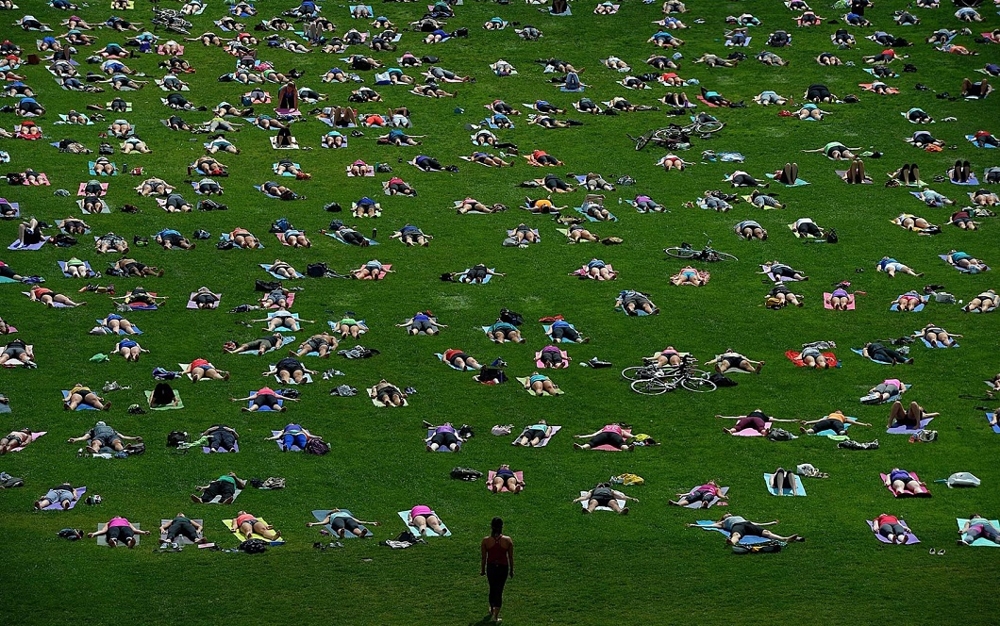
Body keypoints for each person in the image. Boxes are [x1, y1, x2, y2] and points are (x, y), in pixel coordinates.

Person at [688, 513, 804, 545]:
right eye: (726, 514)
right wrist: (695, 525)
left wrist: (771, 523)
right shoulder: (723, 523)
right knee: (737, 535)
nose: (728, 514)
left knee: (766, 533)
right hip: (737, 527)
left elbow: (756, 523)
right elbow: (712, 526)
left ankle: (785, 538)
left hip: (747, 524)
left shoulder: (740, 517)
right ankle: (732, 542)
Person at [480, 517, 514, 623]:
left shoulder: (486, 541)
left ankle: (491, 609)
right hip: (503, 568)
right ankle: (496, 616)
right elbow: (510, 557)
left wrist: (482, 570)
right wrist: (512, 570)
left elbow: (484, 558)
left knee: (492, 588)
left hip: (491, 567)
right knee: (499, 591)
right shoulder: (507, 540)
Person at [307, 509, 381, 538]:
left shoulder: (345, 513)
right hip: (337, 519)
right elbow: (324, 522)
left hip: (348, 519)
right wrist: (313, 524)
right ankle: (342, 533)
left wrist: (371, 523)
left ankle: (360, 534)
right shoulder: (330, 515)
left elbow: (358, 521)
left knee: (354, 526)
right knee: (342, 527)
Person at [573, 482, 638, 514]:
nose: (601, 484)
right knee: (593, 503)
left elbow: (620, 496)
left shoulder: (610, 490)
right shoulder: (593, 490)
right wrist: (577, 499)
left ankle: (620, 511)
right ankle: (589, 511)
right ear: (597, 486)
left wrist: (631, 499)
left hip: (608, 498)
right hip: (596, 498)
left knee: (613, 503)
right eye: (599, 484)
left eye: (602, 484)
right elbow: (586, 497)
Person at [717, 409, 796, 435]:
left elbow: (737, 417)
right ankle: (764, 432)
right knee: (760, 427)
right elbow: (778, 419)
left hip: (749, 419)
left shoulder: (750, 415)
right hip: (758, 420)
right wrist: (792, 420)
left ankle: (730, 430)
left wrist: (723, 417)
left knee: (739, 426)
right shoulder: (764, 417)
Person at [800, 410, 870, 435]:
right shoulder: (829, 415)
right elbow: (819, 420)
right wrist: (807, 422)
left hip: (837, 421)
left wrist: (864, 425)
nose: (838, 411)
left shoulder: (843, 417)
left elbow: (853, 422)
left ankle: (842, 433)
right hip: (828, 421)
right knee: (817, 427)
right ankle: (807, 431)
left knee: (839, 428)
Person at [232, 387, 299, 412]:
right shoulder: (259, 392)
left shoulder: (273, 392)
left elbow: (281, 397)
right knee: (257, 403)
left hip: (270, 396)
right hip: (261, 396)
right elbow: (250, 397)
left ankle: (280, 409)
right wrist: (237, 400)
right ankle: (249, 410)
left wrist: (292, 400)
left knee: (274, 403)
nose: (266, 387)